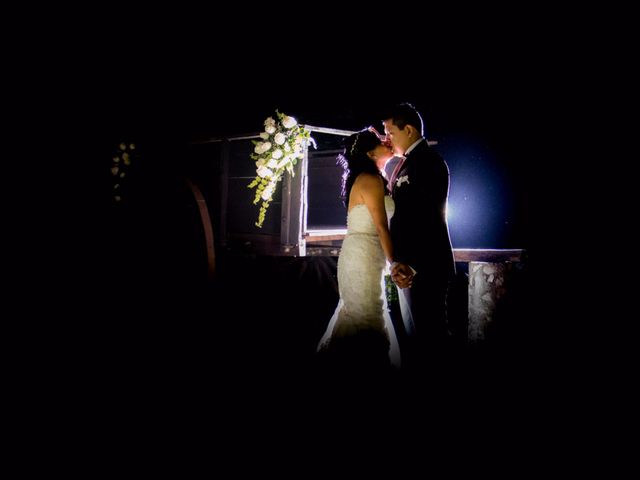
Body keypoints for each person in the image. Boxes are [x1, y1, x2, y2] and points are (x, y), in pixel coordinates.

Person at [316, 127, 400, 377]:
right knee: (366, 313)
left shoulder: (376, 176)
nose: (387, 141)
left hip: (365, 254)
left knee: (364, 310)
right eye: (381, 140)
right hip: (362, 257)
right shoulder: (370, 179)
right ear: (370, 152)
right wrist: (394, 263)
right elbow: (382, 227)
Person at [382, 103, 456, 377]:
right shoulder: (405, 164)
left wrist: (412, 265)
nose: (387, 138)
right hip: (407, 267)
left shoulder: (430, 162)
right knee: (416, 337)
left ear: (409, 129)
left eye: (390, 132)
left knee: (432, 336)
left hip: (426, 266)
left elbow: (428, 218)